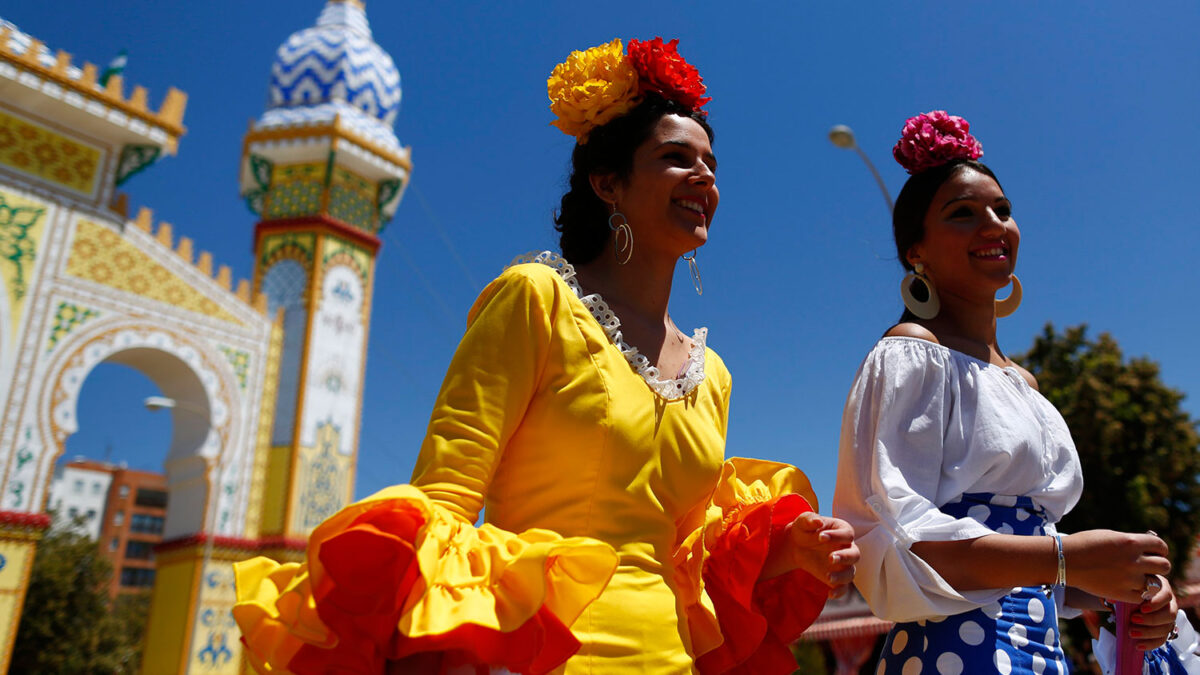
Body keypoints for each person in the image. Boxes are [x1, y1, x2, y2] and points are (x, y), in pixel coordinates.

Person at [233, 37, 859, 675]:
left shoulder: (713, 373)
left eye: (711, 164)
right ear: (607, 182)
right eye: (676, 158)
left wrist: (784, 548)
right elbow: (445, 496)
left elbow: (686, 555)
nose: (705, 178)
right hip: (544, 659)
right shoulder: (535, 299)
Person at [833, 110, 1184, 674]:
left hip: (1040, 653)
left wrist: (1119, 589)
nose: (993, 224)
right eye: (963, 214)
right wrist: (1067, 557)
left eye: (1003, 210)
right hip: (951, 655)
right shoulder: (909, 353)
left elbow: (1031, 561)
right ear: (915, 252)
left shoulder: (1022, 382)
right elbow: (895, 545)